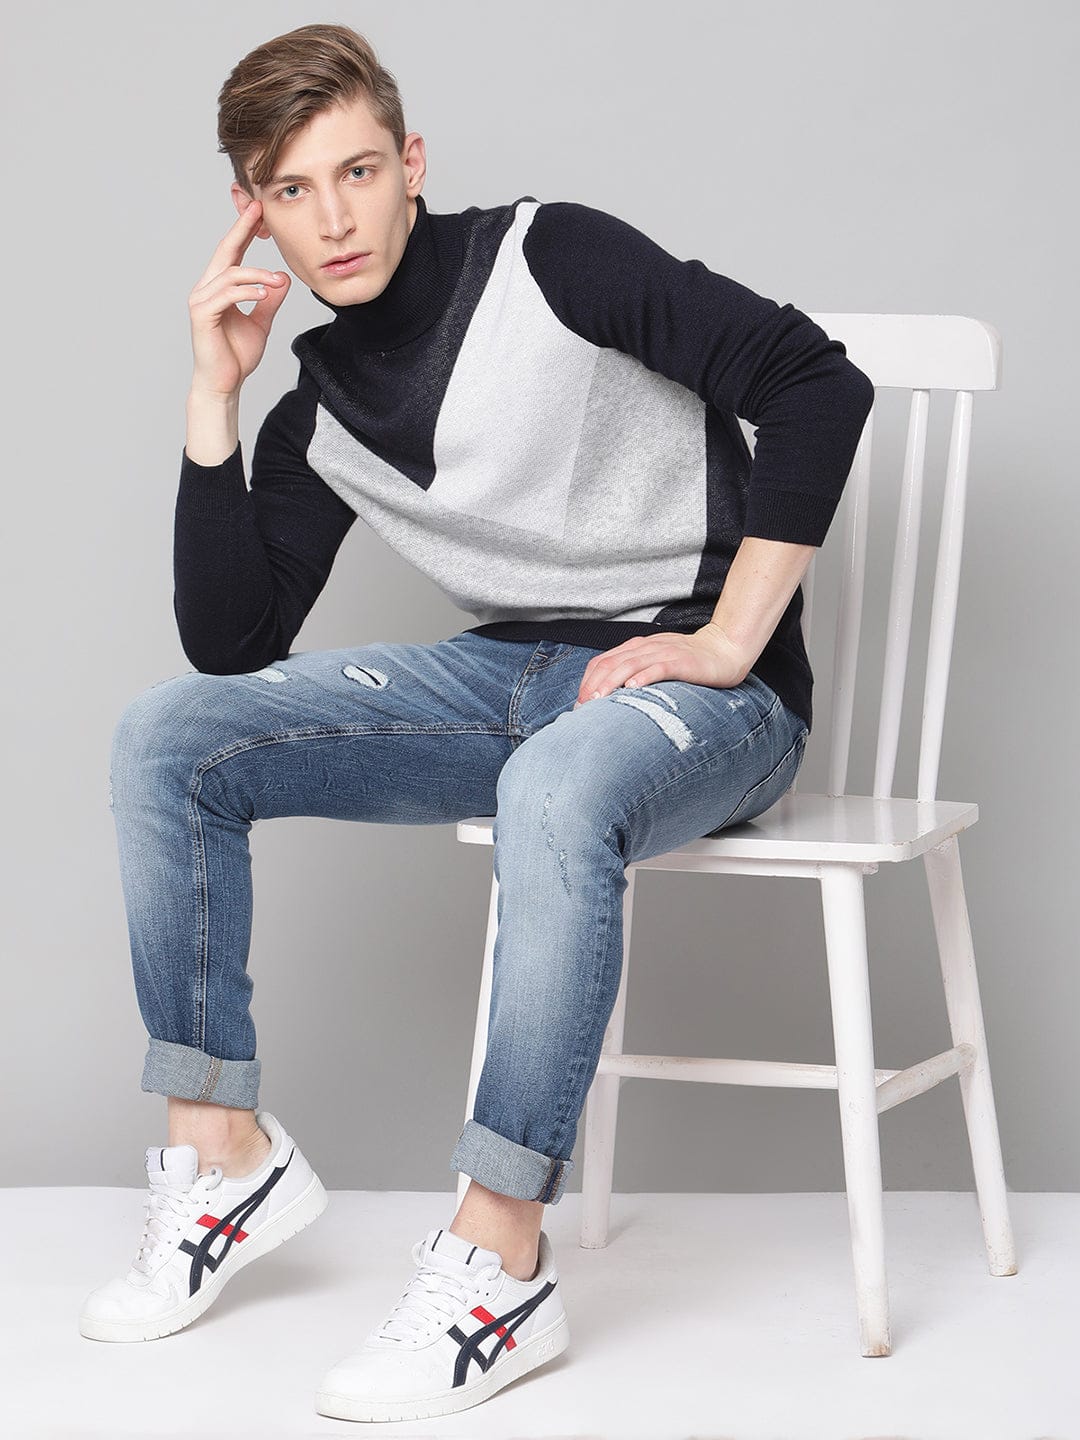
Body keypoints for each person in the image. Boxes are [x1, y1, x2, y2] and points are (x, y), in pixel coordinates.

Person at [78, 20, 875, 1425]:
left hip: (713, 700)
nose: (334, 220)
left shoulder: (551, 258)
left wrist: (728, 640)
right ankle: (222, 1156)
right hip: (507, 682)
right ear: (253, 212)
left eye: (356, 172)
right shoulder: (320, 410)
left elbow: (818, 381)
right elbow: (233, 644)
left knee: (556, 788)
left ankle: (498, 1262)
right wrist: (216, 395)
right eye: (291, 190)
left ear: (412, 163)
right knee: (170, 735)